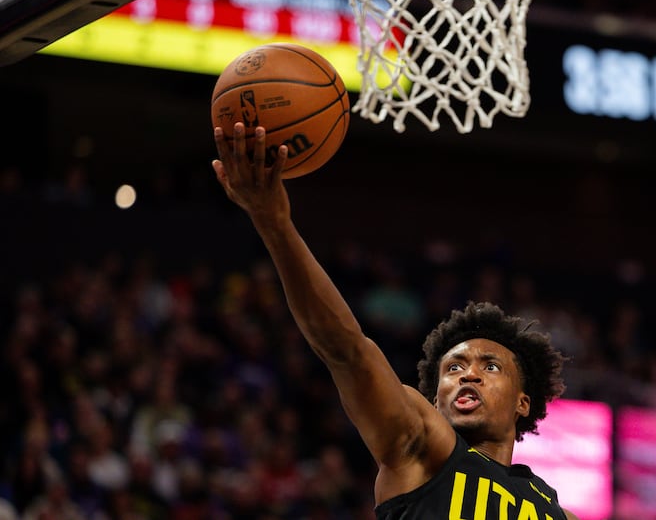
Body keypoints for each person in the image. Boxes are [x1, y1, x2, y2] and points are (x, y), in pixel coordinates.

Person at [211, 122, 579, 520]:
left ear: (523, 401)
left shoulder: (555, 512)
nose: (468, 375)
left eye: (490, 367)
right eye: (453, 368)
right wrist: (275, 224)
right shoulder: (422, 444)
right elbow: (347, 351)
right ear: (435, 400)